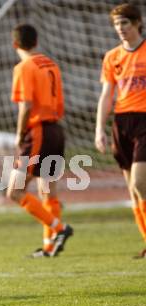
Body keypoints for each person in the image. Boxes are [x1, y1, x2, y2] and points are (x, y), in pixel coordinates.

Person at [6, 24, 73, 258]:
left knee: (14, 192)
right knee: (48, 192)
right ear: (36, 42)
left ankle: (59, 229)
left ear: (15, 44)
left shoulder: (24, 67)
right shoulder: (51, 64)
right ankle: (49, 246)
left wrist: (19, 133)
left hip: (38, 132)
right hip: (56, 130)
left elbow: (26, 105)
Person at [95, 3, 146, 258]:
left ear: (138, 22)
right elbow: (106, 95)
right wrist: (99, 130)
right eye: (117, 24)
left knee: (140, 183)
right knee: (132, 191)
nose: (120, 29)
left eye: (125, 23)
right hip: (121, 122)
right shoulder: (112, 57)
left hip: (145, 121)